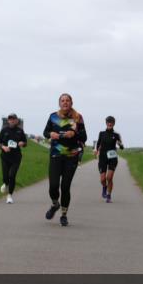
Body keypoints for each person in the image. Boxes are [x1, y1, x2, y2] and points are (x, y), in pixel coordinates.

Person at [42, 94, 86, 227]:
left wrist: (74, 133)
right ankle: (55, 204)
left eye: (67, 100)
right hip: (55, 155)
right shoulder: (53, 116)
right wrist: (51, 134)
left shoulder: (78, 117)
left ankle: (64, 215)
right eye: (62, 101)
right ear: (59, 103)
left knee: (65, 187)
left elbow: (84, 136)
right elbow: (45, 132)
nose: (65, 102)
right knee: (53, 186)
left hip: (71, 156)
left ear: (71, 102)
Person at [0, 113, 27, 204]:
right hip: (5, 157)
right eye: (10, 119)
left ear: (17, 120)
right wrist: (3, 147)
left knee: (12, 175)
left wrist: (22, 143)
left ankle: (9, 196)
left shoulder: (20, 131)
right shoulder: (4, 130)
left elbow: (25, 143)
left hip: (16, 157)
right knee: (5, 176)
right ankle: (5, 184)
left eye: (14, 119)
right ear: (8, 120)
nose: (12, 120)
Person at [94, 116, 125, 203]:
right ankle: (104, 187)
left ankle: (108, 195)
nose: (110, 123)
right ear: (106, 123)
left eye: (111, 122)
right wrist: (96, 151)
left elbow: (122, 147)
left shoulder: (116, 134)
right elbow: (98, 144)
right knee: (103, 179)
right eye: (108, 122)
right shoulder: (101, 133)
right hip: (103, 157)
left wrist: (120, 144)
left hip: (112, 157)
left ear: (114, 123)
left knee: (109, 177)